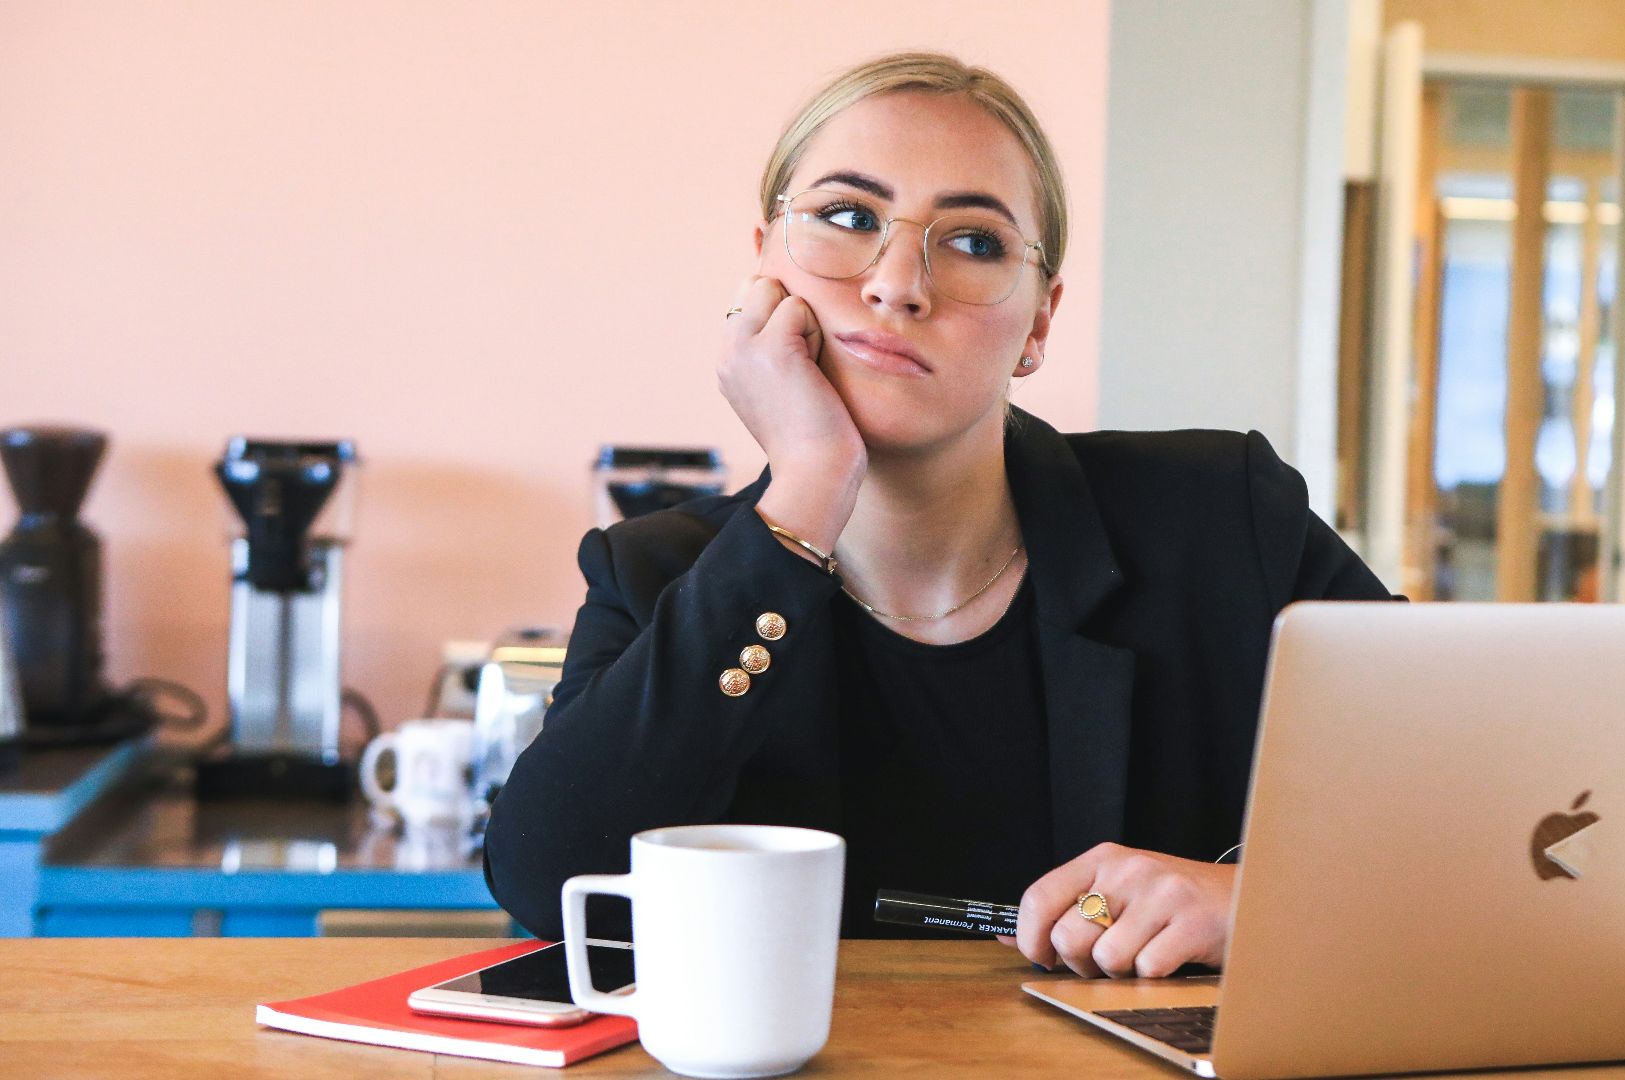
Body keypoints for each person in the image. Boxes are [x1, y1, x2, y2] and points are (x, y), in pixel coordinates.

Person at [484, 51, 1394, 981]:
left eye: (973, 242)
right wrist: (807, 490)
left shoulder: (1224, 518)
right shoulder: (655, 572)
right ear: (762, 264)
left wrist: (1260, 904)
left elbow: (1469, 808)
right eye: (848, 217)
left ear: (1039, 322)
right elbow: (550, 882)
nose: (897, 284)